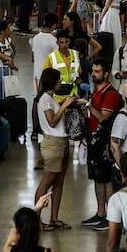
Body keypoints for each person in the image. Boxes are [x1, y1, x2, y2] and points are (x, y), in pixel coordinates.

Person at [32, 68, 81, 230]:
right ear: (52, 82)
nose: (60, 83)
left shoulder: (49, 98)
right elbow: (52, 121)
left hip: (62, 141)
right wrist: (64, 105)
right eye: (58, 80)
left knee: (59, 182)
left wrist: (63, 103)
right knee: (46, 183)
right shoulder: (45, 98)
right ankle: (37, 220)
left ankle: (54, 218)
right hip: (53, 144)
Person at [84, 58, 123, 230]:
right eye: (93, 71)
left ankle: (110, 217)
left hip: (104, 144)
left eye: (97, 71)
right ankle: (100, 213)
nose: (93, 74)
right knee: (97, 179)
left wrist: (88, 106)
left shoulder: (111, 94)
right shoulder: (96, 91)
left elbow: (104, 119)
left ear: (106, 74)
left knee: (106, 180)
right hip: (94, 141)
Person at [0, 19, 19, 107]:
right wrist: (9, 59)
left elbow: (14, 51)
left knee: (8, 94)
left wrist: (11, 60)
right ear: (2, 31)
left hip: (7, 71)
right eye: (8, 29)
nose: (10, 30)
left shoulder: (8, 40)